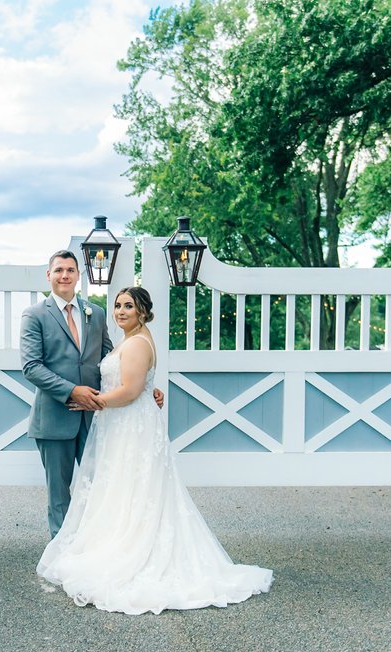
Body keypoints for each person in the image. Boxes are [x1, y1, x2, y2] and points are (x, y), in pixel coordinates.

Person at [37, 286, 273, 614]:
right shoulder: (129, 340)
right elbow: (136, 383)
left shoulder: (136, 342)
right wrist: (149, 389)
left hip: (130, 423)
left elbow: (131, 390)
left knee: (134, 487)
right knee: (128, 488)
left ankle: (133, 550)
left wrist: (93, 402)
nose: (120, 311)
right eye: (117, 305)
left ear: (143, 312)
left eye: (128, 306)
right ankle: (120, 538)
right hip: (125, 424)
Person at [20, 250, 163, 539]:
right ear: (49, 275)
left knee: (102, 487)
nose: (64, 275)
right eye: (59, 270)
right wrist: (72, 391)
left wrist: (145, 386)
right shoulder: (34, 315)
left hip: (97, 420)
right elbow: (31, 366)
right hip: (55, 417)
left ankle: (96, 546)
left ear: (78, 276)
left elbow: (112, 358)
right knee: (59, 495)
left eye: (70, 270)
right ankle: (62, 550)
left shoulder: (95, 313)